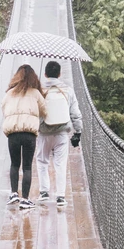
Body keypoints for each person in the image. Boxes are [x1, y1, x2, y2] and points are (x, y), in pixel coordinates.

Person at [36, 61, 83, 206]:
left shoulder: (39, 90)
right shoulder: (68, 90)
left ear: (45, 74)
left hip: (44, 132)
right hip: (62, 132)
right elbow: (75, 113)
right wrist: (78, 132)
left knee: (42, 161)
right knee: (60, 164)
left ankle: (44, 192)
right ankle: (61, 197)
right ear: (60, 74)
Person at [2, 64, 47, 209]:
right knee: (27, 166)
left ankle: (14, 193)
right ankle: (25, 199)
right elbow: (45, 112)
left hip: (13, 133)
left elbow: (3, 109)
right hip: (29, 133)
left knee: (14, 164)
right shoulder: (35, 93)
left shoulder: (9, 93)